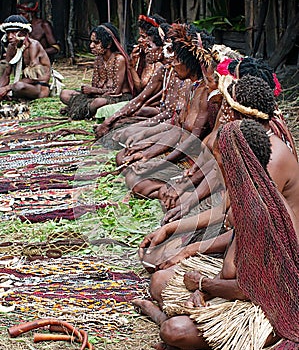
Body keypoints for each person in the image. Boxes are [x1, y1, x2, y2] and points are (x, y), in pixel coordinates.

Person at [133, 119, 299, 350]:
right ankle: (190, 332)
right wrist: (194, 262)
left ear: (237, 162)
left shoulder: (261, 207)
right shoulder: (249, 193)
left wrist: (201, 284)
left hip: (268, 305)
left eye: (220, 161)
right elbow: (236, 242)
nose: (216, 167)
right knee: (160, 280)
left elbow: (250, 288)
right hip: (236, 285)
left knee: (173, 331)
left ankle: (163, 318)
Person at [139, 74, 299, 271]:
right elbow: (226, 211)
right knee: (154, 255)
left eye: (228, 110)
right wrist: (170, 227)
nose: (224, 115)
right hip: (237, 234)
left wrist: (191, 249)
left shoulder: (271, 158)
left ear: (239, 116)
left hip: (269, 253)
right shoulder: (247, 146)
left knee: (160, 272)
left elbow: (250, 229)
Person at [122, 23, 221, 200]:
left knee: (137, 182)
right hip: (180, 151)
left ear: (191, 63)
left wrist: (158, 164)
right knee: (125, 159)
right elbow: (177, 130)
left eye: (178, 59)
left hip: (194, 161)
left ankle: (176, 190)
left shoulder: (208, 96)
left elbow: (192, 140)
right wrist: (146, 153)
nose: (173, 63)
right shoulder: (191, 86)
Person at [60, 23, 134, 119]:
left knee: (98, 102)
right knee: (64, 94)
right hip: (98, 95)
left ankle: (76, 109)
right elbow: (94, 86)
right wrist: (91, 91)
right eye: (91, 42)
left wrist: (93, 90)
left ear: (108, 44)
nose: (91, 46)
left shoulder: (119, 59)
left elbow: (116, 91)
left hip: (118, 97)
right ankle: (84, 109)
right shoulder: (98, 59)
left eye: (96, 42)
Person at [0, 15, 51, 100]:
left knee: (18, 86)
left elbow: (33, 77)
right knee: (3, 66)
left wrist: (7, 88)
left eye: (13, 32)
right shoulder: (11, 47)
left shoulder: (33, 45)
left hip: (40, 88)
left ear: (23, 33)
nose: (9, 36)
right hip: (23, 86)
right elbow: (6, 73)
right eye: (8, 33)